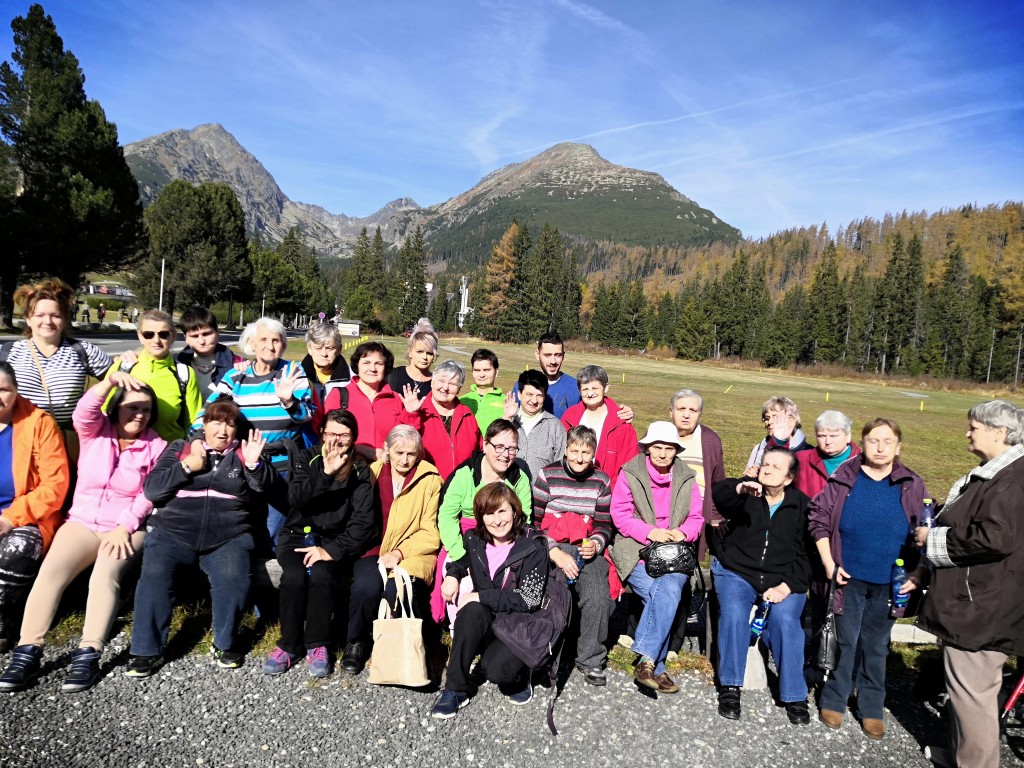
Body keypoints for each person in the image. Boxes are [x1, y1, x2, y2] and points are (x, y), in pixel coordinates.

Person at [0, 375, 165, 692]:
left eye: (146, 409)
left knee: (104, 576)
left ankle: (88, 654)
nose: (139, 415)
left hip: (127, 527)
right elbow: (84, 410)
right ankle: (27, 652)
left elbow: (150, 494)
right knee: (51, 574)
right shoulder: (94, 432)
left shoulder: (157, 447)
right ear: (115, 408)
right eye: (132, 408)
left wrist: (125, 526)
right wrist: (109, 382)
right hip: (82, 522)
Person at [126, 399, 272, 677]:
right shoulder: (180, 448)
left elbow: (266, 488)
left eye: (230, 425)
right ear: (204, 425)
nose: (222, 431)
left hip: (227, 536)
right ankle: (147, 650)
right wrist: (187, 467)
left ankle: (224, 643)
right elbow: (153, 489)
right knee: (155, 573)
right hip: (173, 532)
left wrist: (254, 465)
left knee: (234, 577)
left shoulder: (243, 453)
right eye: (216, 422)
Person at [916, 401, 1024, 768]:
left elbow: (995, 538)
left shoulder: (1011, 480)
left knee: (973, 696)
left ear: (999, 433)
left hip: (982, 608)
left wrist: (933, 538)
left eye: (974, 428)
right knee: (967, 694)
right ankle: (962, 756)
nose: (967, 433)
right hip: (978, 601)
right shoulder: (1000, 473)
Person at [809, 418, 928, 739]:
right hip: (848, 578)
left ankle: (872, 706)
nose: (880, 447)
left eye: (888, 441)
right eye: (873, 440)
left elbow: (927, 531)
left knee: (876, 645)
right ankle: (834, 698)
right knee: (845, 641)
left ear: (898, 447)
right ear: (862, 444)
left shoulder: (912, 484)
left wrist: (918, 572)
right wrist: (829, 563)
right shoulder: (844, 478)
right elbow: (818, 519)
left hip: (891, 581)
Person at [262, 409, 374, 678]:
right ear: (322, 433)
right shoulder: (306, 457)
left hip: (334, 540)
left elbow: (363, 522)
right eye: (331, 433)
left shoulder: (360, 470)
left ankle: (317, 644)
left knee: (323, 575)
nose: (337, 440)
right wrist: (325, 473)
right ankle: (289, 645)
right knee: (294, 576)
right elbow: (296, 499)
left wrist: (331, 550)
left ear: (353, 438)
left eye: (344, 435)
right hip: (297, 534)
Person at [430, 483, 549, 718]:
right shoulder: (475, 539)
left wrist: (482, 595)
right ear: (481, 517)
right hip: (488, 616)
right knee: (471, 610)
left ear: (514, 511)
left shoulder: (533, 546)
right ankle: (455, 688)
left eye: (502, 511)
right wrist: (453, 575)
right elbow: (462, 560)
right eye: (489, 513)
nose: (497, 520)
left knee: (497, 672)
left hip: (518, 623)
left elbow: (530, 599)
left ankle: (522, 674)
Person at [711, 449, 812, 725]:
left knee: (786, 621)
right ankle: (730, 686)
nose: (767, 469)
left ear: (789, 478)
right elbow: (720, 495)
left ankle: (794, 694)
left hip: (783, 579)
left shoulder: (802, 507)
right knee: (734, 613)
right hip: (738, 572)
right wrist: (740, 486)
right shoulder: (747, 492)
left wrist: (786, 587)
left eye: (776, 467)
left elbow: (807, 556)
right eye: (765, 464)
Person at [197, 316, 313, 548]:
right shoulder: (235, 376)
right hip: (243, 465)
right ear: (252, 344)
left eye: (276, 340)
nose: (270, 346)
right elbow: (206, 414)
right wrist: (196, 440)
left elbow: (307, 414)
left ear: (283, 344)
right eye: (263, 340)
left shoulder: (292, 371)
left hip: (282, 468)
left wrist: (289, 401)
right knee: (242, 529)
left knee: (270, 536)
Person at [608, 421, 703, 693]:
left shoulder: (686, 476)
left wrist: (682, 533)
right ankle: (656, 667)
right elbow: (620, 515)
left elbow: (696, 518)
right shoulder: (631, 472)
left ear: (676, 450)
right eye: (657, 447)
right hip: (636, 550)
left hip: (673, 555)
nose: (662, 453)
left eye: (668, 448)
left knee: (666, 589)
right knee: (666, 594)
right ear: (647, 448)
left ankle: (646, 663)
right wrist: (651, 532)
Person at [342, 425, 442, 675]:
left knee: (398, 587)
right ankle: (356, 641)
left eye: (411, 453)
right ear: (387, 450)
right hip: (375, 547)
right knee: (366, 586)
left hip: (412, 551)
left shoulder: (430, 479)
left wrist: (400, 553)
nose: (405, 460)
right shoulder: (372, 473)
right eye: (399, 453)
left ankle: (407, 648)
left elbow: (430, 532)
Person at [533, 425, 613, 686]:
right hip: (552, 545)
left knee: (598, 596)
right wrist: (553, 551)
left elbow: (604, 524)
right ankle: (542, 652)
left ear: (593, 454)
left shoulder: (601, 481)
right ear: (566, 450)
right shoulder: (547, 475)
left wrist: (596, 545)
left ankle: (591, 658)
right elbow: (533, 523)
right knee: (551, 594)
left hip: (585, 546)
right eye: (574, 451)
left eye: (586, 452)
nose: (579, 458)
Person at [432, 419, 533, 622]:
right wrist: (460, 556)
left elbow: (524, 518)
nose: (505, 455)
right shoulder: (465, 474)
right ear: (485, 444)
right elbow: (446, 516)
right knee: (464, 584)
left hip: (503, 539)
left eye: (512, 449)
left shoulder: (519, 478)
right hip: (464, 540)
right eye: (499, 447)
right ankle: (460, 628)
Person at [0, 362, 71, 650]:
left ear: (16, 391)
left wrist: (9, 518)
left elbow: (55, 484)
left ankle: (5, 618)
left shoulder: (38, 422)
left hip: (28, 514)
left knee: (17, 549)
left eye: (3, 389)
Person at [3, 278, 112, 457]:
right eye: (39, 315)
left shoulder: (83, 351)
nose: (48, 321)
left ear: (64, 319)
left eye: (56, 315)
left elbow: (118, 383)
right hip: (18, 443)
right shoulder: (8, 352)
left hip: (64, 445)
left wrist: (134, 358)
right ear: (28, 319)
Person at [110, 309, 203, 443]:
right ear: (140, 336)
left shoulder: (185, 374)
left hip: (169, 451)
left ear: (173, 336)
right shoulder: (122, 367)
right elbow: (103, 412)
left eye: (164, 334)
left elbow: (193, 422)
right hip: (126, 451)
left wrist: (195, 445)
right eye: (148, 334)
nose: (156, 340)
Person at [325, 342, 416, 464]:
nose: (373, 369)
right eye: (366, 363)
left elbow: (406, 439)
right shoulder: (339, 396)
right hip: (349, 467)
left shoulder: (395, 399)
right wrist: (363, 450)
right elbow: (329, 437)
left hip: (386, 467)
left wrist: (411, 413)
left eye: (378, 363)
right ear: (357, 365)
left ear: (386, 367)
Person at [400, 359, 481, 481]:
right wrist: (411, 415)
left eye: (452, 384)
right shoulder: (419, 412)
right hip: (427, 485)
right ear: (432, 382)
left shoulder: (467, 415)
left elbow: (480, 452)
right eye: (441, 381)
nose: (445, 387)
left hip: (461, 487)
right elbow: (402, 445)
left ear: (459, 389)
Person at [561, 365, 638, 489]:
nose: (590, 393)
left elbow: (629, 467)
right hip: (570, 488)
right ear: (579, 391)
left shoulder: (621, 423)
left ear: (606, 388)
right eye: (585, 389)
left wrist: (615, 495)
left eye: (595, 388)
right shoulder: (569, 417)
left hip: (607, 492)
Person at [669, 388, 725, 557]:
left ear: (699, 414)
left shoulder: (710, 440)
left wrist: (716, 517)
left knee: (688, 564)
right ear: (671, 411)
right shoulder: (659, 436)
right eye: (681, 409)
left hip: (695, 518)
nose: (686, 415)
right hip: (661, 516)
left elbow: (718, 483)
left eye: (693, 410)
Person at [504, 369, 566, 480]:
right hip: (506, 489)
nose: (534, 400)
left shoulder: (555, 427)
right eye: (529, 394)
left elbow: (561, 466)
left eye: (539, 395)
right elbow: (491, 452)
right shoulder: (508, 420)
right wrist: (506, 419)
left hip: (541, 490)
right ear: (519, 394)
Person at [298, 321, 352, 442]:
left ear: (339, 349)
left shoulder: (352, 379)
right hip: (305, 444)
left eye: (329, 348)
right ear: (309, 349)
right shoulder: (297, 376)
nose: (324, 354)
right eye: (318, 348)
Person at [175, 306, 245, 396]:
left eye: (206, 334)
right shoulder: (175, 364)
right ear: (186, 338)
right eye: (194, 336)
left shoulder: (237, 363)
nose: (201, 341)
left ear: (217, 332)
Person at [793, 410, 860, 499]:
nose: (828, 442)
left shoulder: (863, 463)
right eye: (822, 436)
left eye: (833, 436)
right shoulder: (801, 460)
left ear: (848, 436)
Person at [745, 396, 810, 476]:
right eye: (767, 418)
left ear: (792, 420)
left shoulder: (808, 452)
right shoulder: (759, 448)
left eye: (775, 417)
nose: (769, 422)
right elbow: (746, 476)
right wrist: (750, 476)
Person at [387, 317, 437, 400]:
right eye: (419, 352)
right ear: (410, 352)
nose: (424, 357)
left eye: (429, 353)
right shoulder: (393, 376)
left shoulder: (437, 383)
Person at [460, 349, 505, 434]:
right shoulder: (461, 401)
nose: (481, 375)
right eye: (477, 370)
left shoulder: (506, 403)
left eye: (486, 370)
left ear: (496, 372)